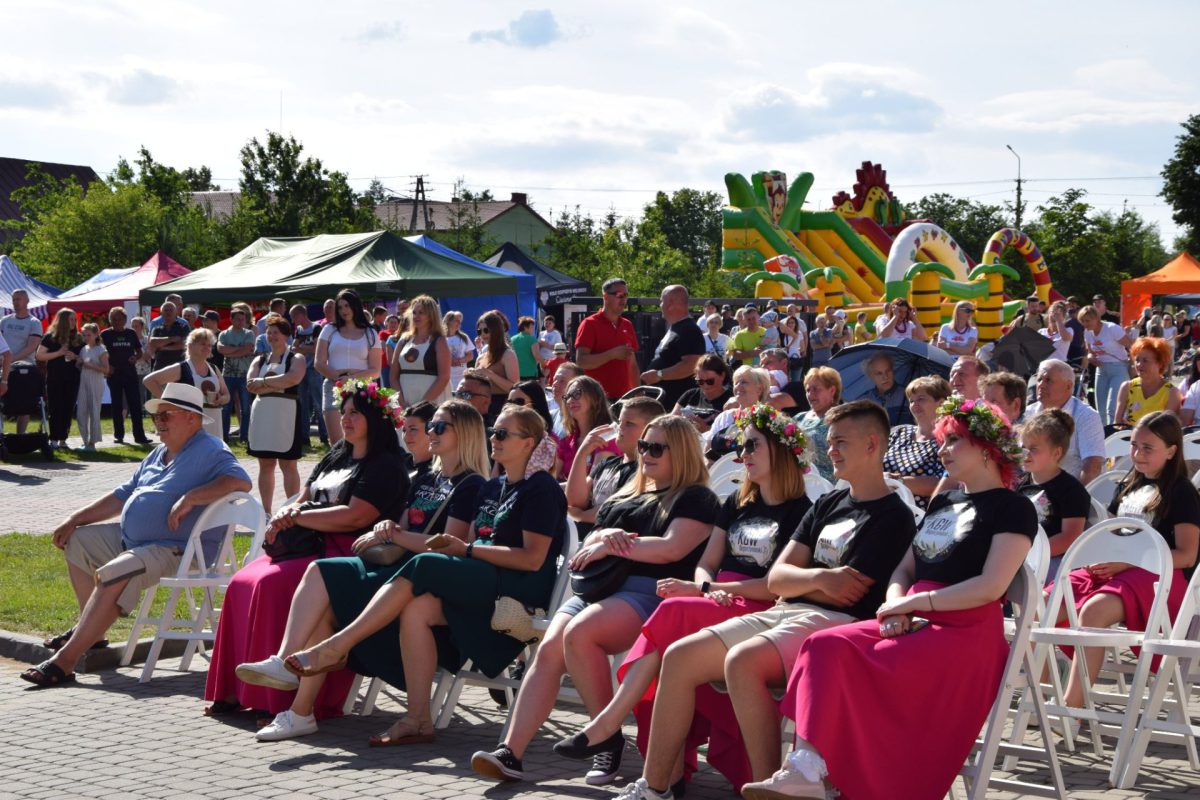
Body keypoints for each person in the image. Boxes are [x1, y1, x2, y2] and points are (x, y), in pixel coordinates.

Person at [615, 401, 915, 799]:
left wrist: (800, 581)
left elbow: (850, 591)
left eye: (840, 442)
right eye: (830, 442)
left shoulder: (893, 515)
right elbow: (777, 579)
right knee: (679, 656)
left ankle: (766, 787)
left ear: (872, 445)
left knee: (742, 660)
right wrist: (819, 578)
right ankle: (654, 788)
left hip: (836, 625)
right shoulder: (828, 504)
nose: (831, 451)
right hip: (785, 610)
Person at [745, 395, 1035, 800]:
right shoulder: (945, 500)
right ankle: (805, 769)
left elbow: (991, 586)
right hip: (913, 619)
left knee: (842, 657)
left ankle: (834, 776)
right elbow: (905, 570)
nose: (942, 450)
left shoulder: (1014, 508)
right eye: (942, 441)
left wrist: (912, 605)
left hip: (963, 633)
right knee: (821, 645)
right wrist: (894, 605)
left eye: (954, 440)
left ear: (988, 448)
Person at [560, 404, 815, 795]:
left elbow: (777, 586)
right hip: (715, 601)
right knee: (669, 634)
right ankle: (660, 768)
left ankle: (619, 736)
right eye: (742, 446)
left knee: (673, 612)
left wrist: (707, 591)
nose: (742, 454)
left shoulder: (802, 512)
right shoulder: (735, 504)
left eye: (752, 446)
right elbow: (706, 565)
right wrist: (705, 586)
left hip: (760, 606)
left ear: (780, 452)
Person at [472, 414, 720, 785]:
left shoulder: (696, 497)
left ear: (682, 452)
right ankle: (511, 751)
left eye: (656, 448)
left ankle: (605, 736)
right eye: (643, 446)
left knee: (580, 633)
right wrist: (603, 538)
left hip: (649, 591)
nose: (646, 454)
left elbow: (672, 548)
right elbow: (590, 538)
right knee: (550, 647)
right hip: (598, 587)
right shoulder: (628, 491)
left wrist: (613, 545)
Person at [236, 399, 489, 741]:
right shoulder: (427, 477)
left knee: (325, 593)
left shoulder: (470, 484)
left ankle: (301, 696)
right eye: (431, 425)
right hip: (399, 566)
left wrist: (396, 534)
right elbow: (402, 527)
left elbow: (447, 545)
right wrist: (387, 528)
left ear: (466, 434)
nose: (431, 431)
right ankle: (293, 692)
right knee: (320, 575)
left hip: (425, 578)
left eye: (440, 427)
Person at [204, 378, 408, 722]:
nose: (345, 419)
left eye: (355, 413)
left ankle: (277, 697)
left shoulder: (385, 465)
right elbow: (305, 495)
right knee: (242, 581)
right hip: (307, 545)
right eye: (344, 411)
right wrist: (284, 515)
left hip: (346, 551)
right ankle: (237, 690)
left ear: (376, 419)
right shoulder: (337, 454)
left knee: (271, 585)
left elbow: (355, 516)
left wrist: (298, 517)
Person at [22, 383, 251, 688]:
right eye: (156, 415)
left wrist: (192, 497)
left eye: (166, 415)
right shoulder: (159, 453)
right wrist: (74, 519)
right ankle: (92, 634)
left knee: (116, 571)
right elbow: (122, 495)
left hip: (178, 549)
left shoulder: (211, 449)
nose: (159, 421)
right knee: (77, 542)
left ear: (192, 418)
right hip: (136, 543)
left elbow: (240, 481)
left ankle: (65, 661)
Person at [1057, 411, 1200, 709]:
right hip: (1117, 572)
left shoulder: (1181, 491)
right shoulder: (1128, 484)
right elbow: (1108, 535)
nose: (1137, 453)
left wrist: (1130, 563)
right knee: (1047, 602)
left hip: (1160, 577)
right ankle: (1042, 695)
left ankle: (1071, 708)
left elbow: (1187, 556)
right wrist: (1096, 558)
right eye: (1134, 445)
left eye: (1148, 448)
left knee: (1093, 612)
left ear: (1171, 451)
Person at [568, 396, 665, 540]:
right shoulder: (609, 463)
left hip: (607, 540)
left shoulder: (645, 470)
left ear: (650, 431)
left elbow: (615, 511)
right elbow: (575, 501)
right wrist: (582, 453)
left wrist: (580, 515)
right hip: (582, 537)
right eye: (619, 422)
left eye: (629, 424)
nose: (620, 428)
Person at [1017, 409, 1090, 580]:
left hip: (1054, 561)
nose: (1025, 454)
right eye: (1023, 447)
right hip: (1021, 554)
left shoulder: (1071, 490)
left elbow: (1070, 537)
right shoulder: (1019, 482)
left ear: (1056, 453)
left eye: (1033, 449)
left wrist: (1030, 553)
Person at [246, 315, 307, 513]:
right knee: (265, 464)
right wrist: (277, 383)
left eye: (276, 333)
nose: (272, 336)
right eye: (269, 332)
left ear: (286, 335)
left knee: (288, 464)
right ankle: (266, 511)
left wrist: (264, 383)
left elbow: (293, 378)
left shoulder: (296, 358)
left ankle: (290, 510)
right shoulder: (259, 359)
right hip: (263, 413)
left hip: (286, 414)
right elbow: (250, 384)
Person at [316, 289, 383, 445]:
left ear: (355, 306)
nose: (344, 310)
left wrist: (351, 379)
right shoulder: (329, 330)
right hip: (333, 387)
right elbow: (319, 363)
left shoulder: (370, 333)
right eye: (340, 307)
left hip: (362, 389)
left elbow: (376, 370)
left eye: (347, 306)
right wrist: (339, 379)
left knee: (360, 441)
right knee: (337, 443)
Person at [1025, 359, 1105, 485]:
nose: (1041, 385)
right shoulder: (1029, 412)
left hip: (1072, 489)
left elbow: (1093, 467)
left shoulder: (1086, 416)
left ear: (1068, 386)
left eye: (1048, 380)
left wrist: (1075, 494)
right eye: (1039, 379)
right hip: (1032, 489)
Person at [144, 328, 229, 441]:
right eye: (202, 344)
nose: (207, 347)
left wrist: (221, 399)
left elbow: (226, 395)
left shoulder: (214, 368)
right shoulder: (181, 368)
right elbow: (149, 381)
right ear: (190, 346)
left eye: (209, 345)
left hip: (214, 419)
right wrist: (170, 404)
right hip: (189, 421)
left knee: (213, 450)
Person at [884, 375, 950, 510]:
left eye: (921, 399)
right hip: (881, 506)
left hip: (917, 514)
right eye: (911, 400)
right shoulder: (900, 432)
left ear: (941, 403)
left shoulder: (948, 440)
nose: (914, 404)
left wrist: (897, 481)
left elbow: (941, 482)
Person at [640, 286, 705, 411]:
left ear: (670, 303)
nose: (660, 305)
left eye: (661, 301)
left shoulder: (689, 329)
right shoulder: (677, 328)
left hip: (675, 406)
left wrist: (659, 374)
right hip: (665, 403)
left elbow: (692, 364)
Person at [576, 278, 639, 400]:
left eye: (626, 295)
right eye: (619, 295)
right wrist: (612, 354)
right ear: (605, 296)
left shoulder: (627, 324)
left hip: (625, 399)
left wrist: (638, 395)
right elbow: (581, 361)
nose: (623, 300)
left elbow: (632, 365)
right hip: (597, 399)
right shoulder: (589, 324)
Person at [388, 295, 451, 409]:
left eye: (421, 313)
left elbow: (444, 377)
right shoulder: (403, 340)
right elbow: (393, 376)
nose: (416, 316)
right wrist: (401, 400)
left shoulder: (439, 341)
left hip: (432, 402)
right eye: (414, 312)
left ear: (431, 316)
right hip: (405, 401)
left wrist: (422, 406)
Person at [556, 375, 620, 479]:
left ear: (595, 397)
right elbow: (551, 479)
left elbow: (594, 484)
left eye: (576, 393)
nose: (570, 400)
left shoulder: (608, 436)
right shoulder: (566, 441)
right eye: (567, 396)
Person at [36, 308, 84, 449]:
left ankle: (63, 439)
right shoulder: (50, 337)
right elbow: (39, 355)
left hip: (73, 378)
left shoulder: (78, 337)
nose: (74, 322)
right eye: (71, 319)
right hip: (55, 378)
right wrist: (58, 353)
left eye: (75, 319)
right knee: (55, 408)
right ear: (63, 320)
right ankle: (54, 439)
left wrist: (75, 357)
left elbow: (85, 358)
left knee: (68, 409)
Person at [1079, 304, 1133, 425]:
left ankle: (1113, 433)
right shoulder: (1087, 332)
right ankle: (1102, 434)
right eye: (1083, 321)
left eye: (1088, 320)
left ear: (1097, 318)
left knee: (1111, 408)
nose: (1085, 324)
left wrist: (1133, 365)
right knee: (1100, 409)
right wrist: (1091, 357)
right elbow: (1090, 352)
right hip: (1101, 370)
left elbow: (1132, 345)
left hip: (1118, 368)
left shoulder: (1112, 328)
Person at [1, 288, 45, 434]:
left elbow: (31, 347)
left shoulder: (34, 322)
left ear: (27, 301)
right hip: (4, 369)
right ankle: (2, 437)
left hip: (25, 370)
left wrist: (9, 359)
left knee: (24, 405)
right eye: (14, 299)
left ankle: (20, 437)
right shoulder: (4, 321)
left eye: (18, 299)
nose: (15, 302)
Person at [1115, 337, 1182, 427]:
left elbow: (1167, 429)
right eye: (1137, 360)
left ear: (1160, 363)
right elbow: (1117, 423)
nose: (1139, 365)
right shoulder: (1127, 387)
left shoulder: (1172, 393)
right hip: (1126, 435)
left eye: (1145, 361)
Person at [704, 366, 770, 456]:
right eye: (736, 382)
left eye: (744, 382)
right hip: (718, 464)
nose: (738, 386)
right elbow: (706, 450)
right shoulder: (725, 417)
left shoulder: (767, 419)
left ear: (759, 389)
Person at [217, 305, 257, 445]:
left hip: (244, 375)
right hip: (228, 375)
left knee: (246, 407)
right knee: (226, 407)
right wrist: (240, 349)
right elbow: (221, 350)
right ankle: (224, 436)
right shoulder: (224, 334)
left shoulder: (249, 334)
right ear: (232, 319)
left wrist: (231, 351)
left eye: (243, 319)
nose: (241, 322)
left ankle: (244, 436)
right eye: (238, 319)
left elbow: (247, 350)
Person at [288, 304, 326, 446]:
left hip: (314, 369)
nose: (292, 320)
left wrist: (302, 347)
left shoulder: (316, 328)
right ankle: (305, 436)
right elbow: (293, 348)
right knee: (303, 404)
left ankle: (324, 435)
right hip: (301, 369)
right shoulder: (299, 330)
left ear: (301, 315)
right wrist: (305, 348)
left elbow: (317, 348)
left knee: (318, 402)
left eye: (293, 316)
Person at [476, 310, 520, 420]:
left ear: (495, 330)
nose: (483, 334)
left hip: (502, 408)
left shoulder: (507, 354)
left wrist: (489, 374)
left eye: (486, 330)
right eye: (479, 331)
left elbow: (514, 388)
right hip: (482, 407)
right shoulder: (481, 356)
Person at [673, 354, 732, 434]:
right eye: (700, 381)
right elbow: (671, 422)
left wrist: (705, 429)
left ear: (722, 376)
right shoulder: (690, 394)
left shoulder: (730, 400)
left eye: (710, 381)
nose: (705, 385)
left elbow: (731, 433)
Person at [75, 323, 109, 452]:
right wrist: (78, 362)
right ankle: (85, 441)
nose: (86, 337)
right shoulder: (84, 349)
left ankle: (92, 443)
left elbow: (106, 369)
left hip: (96, 381)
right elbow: (81, 365)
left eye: (88, 335)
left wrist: (90, 365)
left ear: (96, 334)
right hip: (84, 381)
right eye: (84, 335)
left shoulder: (101, 349)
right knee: (81, 412)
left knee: (94, 411)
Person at [863, 352, 907, 426]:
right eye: (879, 373)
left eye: (888, 371)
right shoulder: (865, 401)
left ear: (893, 371)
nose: (885, 377)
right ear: (871, 376)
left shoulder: (908, 396)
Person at [148, 301, 190, 370]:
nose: (168, 312)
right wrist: (171, 339)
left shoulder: (183, 327)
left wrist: (163, 348)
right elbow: (152, 343)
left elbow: (184, 344)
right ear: (161, 313)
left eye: (171, 310)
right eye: (166, 310)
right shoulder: (157, 329)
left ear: (176, 312)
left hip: (179, 367)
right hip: (160, 367)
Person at [549, 361, 584, 437]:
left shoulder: (580, 421)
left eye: (562, 381)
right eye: (554, 379)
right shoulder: (551, 416)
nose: (555, 384)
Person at [443, 310, 475, 391]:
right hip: (446, 376)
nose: (459, 323)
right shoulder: (440, 338)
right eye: (456, 321)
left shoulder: (464, 337)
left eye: (460, 321)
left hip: (461, 376)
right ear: (448, 321)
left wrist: (459, 361)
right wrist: (450, 361)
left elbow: (470, 355)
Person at [511, 315, 544, 382]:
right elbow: (537, 355)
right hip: (529, 373)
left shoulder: (512, 339)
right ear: (525, 327)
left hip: (515, 373)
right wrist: (544, 364)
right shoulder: (532, 339)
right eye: (532, 327)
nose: (533, 330)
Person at [780, 315, 806, 381]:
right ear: (786, 324)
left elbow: (802, 348)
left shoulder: (799, 333)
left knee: (795, 381)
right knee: (786, 381)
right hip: (786, 360)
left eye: (792, 322)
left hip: (795, 359)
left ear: (795, 324)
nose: (791, 324)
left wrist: (797, 350)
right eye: (789, 323)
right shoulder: (784, 334)